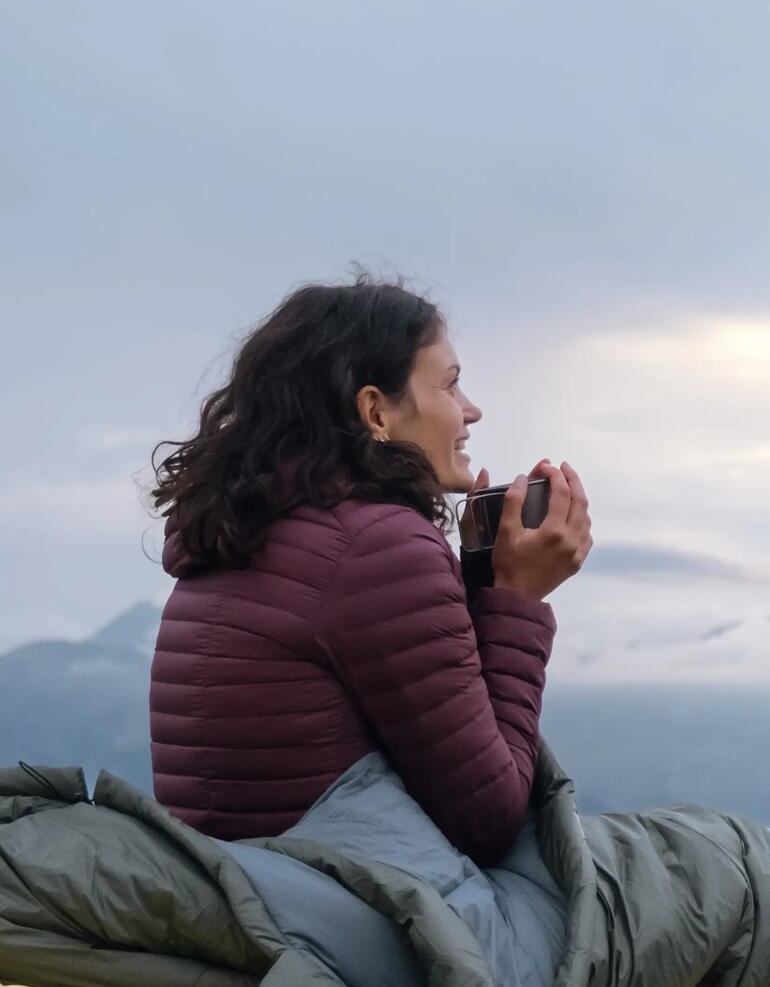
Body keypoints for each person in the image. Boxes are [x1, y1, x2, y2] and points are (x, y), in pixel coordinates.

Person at [148, 277, 592, 863]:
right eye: (452, 385)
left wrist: (476, 584)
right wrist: (517, 597)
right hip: (339, 906)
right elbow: (490, 819)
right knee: (729, 864)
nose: (471, 410)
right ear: (375, 410)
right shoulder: (378, 546)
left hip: (243, 887)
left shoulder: (250, 529)